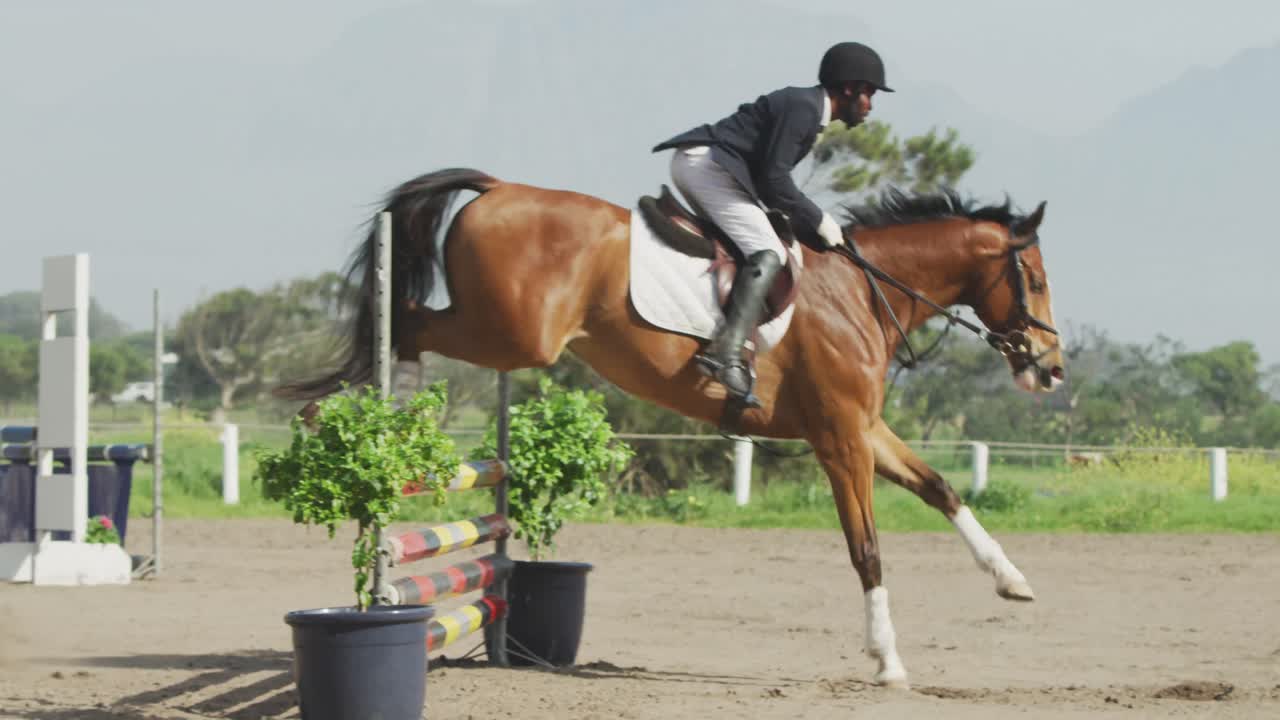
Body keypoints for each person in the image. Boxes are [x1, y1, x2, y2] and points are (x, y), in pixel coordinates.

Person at [652, 41, 893, 407]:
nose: (871, 106)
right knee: (767, 251)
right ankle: (726, 352)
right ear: (849, 89)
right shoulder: (804, 109)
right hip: (707, 167)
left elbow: (772, 185)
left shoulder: (811, 111)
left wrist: (817, 234)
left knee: (768, 241)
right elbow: (774, 181)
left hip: (712, 166)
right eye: (869, 94)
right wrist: (819, 220)